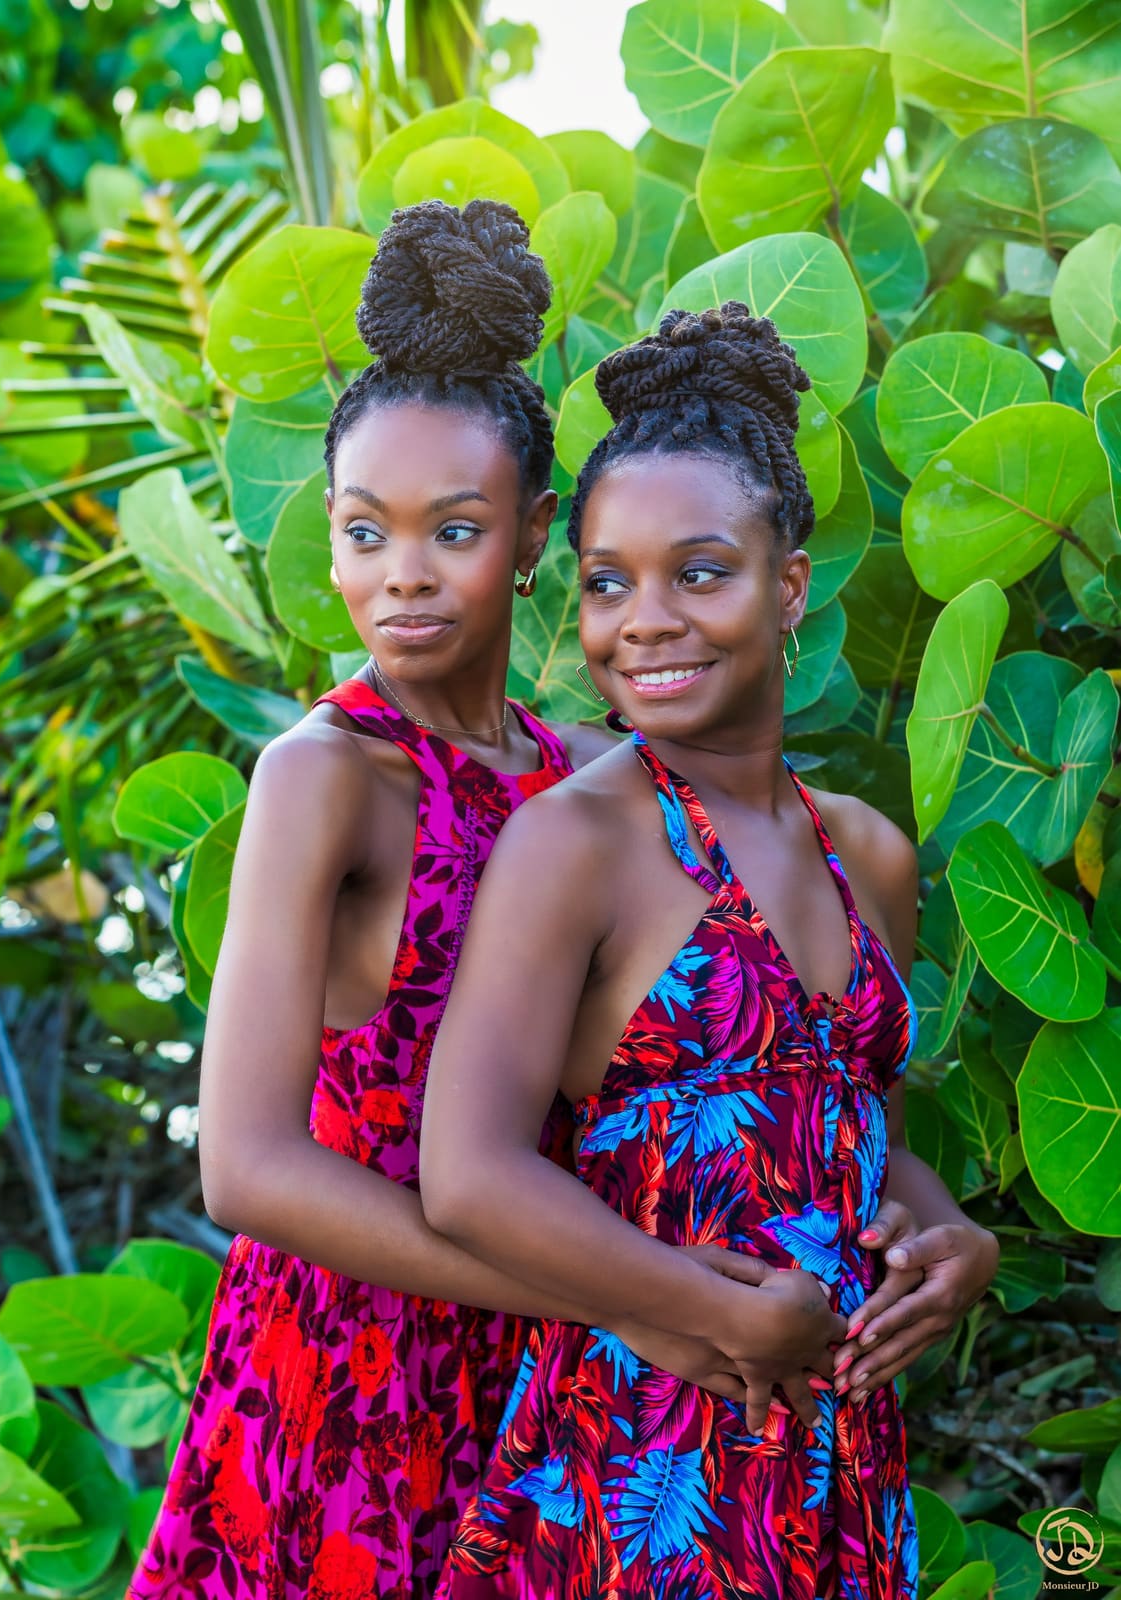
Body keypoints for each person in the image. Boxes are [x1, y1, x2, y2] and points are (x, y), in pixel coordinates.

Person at [128, 213, 844, 1600]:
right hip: (355, 1370)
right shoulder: (323, 778)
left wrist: (921, 1221)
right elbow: (250, 1169)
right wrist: (639, 1296)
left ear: (528, 538)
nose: (401, 573)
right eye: (362, 531)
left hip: (582, 1366)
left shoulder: (595, 785)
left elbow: (740, 1050)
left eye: (452, 531)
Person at [420, 303, 1001, 1599]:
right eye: (607, 581)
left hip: (838, 1449)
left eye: (698, 572)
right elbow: (464, 1173)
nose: (644, 621)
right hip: (642, 1449)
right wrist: (716, 1309)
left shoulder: (867, 852)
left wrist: (955, 1240)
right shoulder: (578, 840)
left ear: (785, 582)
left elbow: (861, 1133)